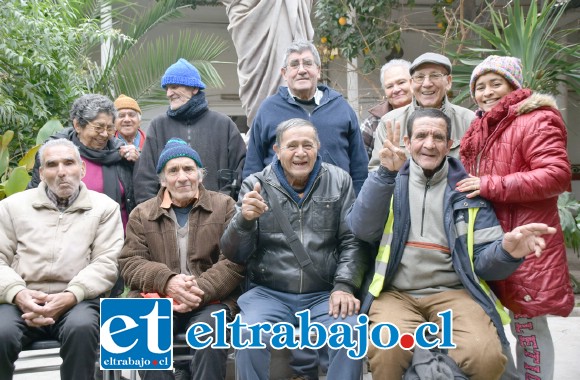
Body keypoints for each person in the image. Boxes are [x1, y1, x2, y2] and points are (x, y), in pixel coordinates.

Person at [346, 108, 557, 380]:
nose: (429, 144)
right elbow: (362, 229)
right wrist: (386, 174)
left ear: (450, 144)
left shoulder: (467, 189)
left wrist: (507, 251)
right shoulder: (390, 181)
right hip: (395, 293)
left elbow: (484, 263)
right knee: (388, 350)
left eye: (438, 137)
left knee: (486, 356)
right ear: (408, 143)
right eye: (421, 136)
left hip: (455, 292)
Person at [221, 118, 368, 380]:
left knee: (351, 332)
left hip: (323, 293)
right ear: (277, 151)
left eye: (307, 145)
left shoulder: (339, 180)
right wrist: (244, 220)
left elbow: (352, 241)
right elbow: (235, 253)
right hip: (269, 293)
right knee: (247, 333)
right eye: (292, 146)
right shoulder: (255, 184)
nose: (300, 153)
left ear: (318, 148)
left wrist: (344, 286)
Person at [457, 55, 574, 380]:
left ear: (514, 85)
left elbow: (556, 175)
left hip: (525, 242)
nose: (487, 92)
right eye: (480, 86)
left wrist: (489, 185)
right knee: (500, 326)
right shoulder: (484, 126)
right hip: (494, 242)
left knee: (528, 327)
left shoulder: (535, 119)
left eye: (496, 83)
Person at [120, 138, 245, 380]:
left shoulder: (225, 206)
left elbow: (234, 261)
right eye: (173, 170)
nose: (182, 177)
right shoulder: (142, 213)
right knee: (143, 333)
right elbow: (130, 263)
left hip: (211, 299)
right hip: (155, 298)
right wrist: (167, 283)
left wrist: (195, 290)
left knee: (208, 334)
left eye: (188, 169)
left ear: (200, 175)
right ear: (163, 179)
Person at [0, 139, 123, 380]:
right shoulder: (11, 207)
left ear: (82, 169)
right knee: (1, 332)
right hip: (21, 300)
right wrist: (18, 294)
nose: (62, 172)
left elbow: (107, 262)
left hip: (78, 300)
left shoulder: (104, 208)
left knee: (82, 328)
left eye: (69, 163)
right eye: (52, 165)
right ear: (41, 173)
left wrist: (70, 296)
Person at [242, 40, 368, 194]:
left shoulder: (342, 108)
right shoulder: (268, 110)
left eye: (308, 63)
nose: (301, 70)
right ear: (284, 73)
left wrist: (355, 207)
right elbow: (252, 167)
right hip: (280, 208)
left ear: (318, 70)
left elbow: (360, 168)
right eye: (294, 65)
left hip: (337, 204)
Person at [134, 58, 247, 203]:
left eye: (174, 86)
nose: (169, 93)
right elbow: (145, 180)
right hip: (168, 219)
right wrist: (155, 217)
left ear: (194, 88)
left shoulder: (224, 124)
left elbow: (240, 174)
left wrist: (223, 208)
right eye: (167, 88)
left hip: (218, 216)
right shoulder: (158, 126)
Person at [28, 93, 137, 230]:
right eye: (98, 127)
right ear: (78, 125)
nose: (104, 134)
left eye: (109, 128)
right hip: (69, 239)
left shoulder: (121, 154)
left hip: (117, 239)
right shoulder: (54, 155)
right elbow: (34, 198)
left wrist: (138, 163)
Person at [368, 52, 475, 170]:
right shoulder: (390, 122)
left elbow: (480, 170)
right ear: (411, 83)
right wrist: (390, 173)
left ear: (448, 82)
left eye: (435, 75)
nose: (427, 84)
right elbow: (375, 172)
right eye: (419, 77)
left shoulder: (469, 121)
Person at [360, 59, 412, 158]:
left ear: (413, 83)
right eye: (389, 86)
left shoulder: (429, 115)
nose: (396, 90)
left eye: (401, 82)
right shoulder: (372, 124)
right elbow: (361, 165)